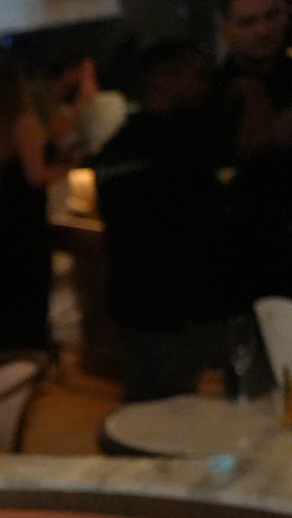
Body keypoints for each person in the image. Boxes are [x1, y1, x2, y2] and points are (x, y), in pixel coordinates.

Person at [94, 41, 233, 401]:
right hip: (181, 312)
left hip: (132, 306)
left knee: (144, 410)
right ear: (165, 79)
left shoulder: (114, 150)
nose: (205, 84)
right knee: (188, 417)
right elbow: (201, 229)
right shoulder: (183, 143)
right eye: (195, 74)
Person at [0, 57, 68, 356]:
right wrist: (67, 168)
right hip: (24, 219)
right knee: (30, 287)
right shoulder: (24, 123)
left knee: (2, 292)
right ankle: (32, 352)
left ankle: (3, 354)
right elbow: (35, 175)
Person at [214, 0, 292, 301]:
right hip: (250, 262)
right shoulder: (210, 94)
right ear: (225, 31)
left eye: (272, 16)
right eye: (248, 22)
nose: (263, 30)